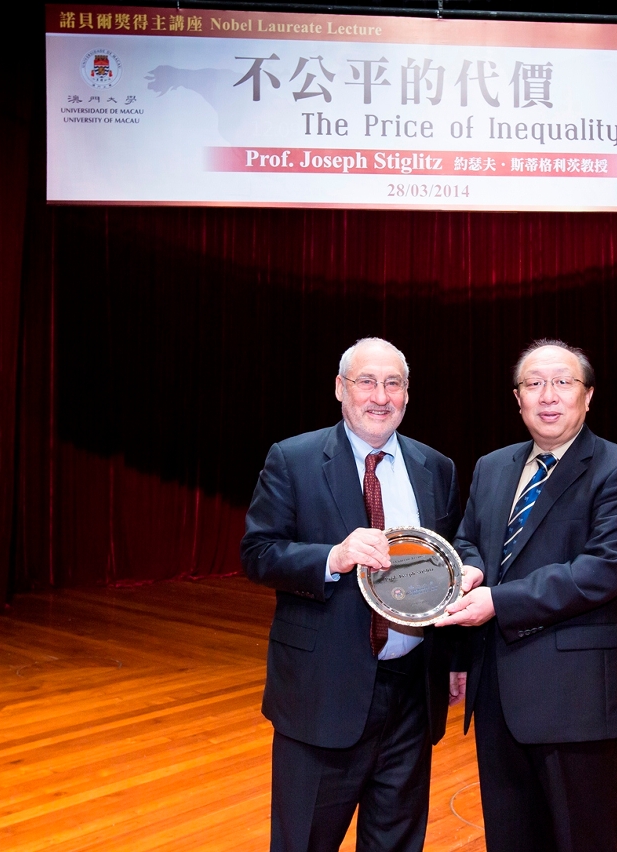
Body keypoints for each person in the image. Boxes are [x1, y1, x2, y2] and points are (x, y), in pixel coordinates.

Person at [241, 337, 461, 852]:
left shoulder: (438, 467)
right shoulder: (292, 459)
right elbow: (258, 553)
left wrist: (455, 658)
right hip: (323, 695)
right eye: (366, 381)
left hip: (412, 697)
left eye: (393, 383)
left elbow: (445, 573)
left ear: (407, 394)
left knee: (396, 842)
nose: (379, 396)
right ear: (340, 388)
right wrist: (331, 558)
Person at [437, 340, 617, 852]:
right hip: (496, 695)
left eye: (563, 383)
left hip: (574, 700)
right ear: (518, 399)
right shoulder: (492, 467)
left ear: (588, 395)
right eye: (534, 384)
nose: (548, 395)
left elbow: (598, 572)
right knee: (510, 838)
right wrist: (469, 567)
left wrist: (498, 601)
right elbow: (469, 537)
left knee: (582, 838)